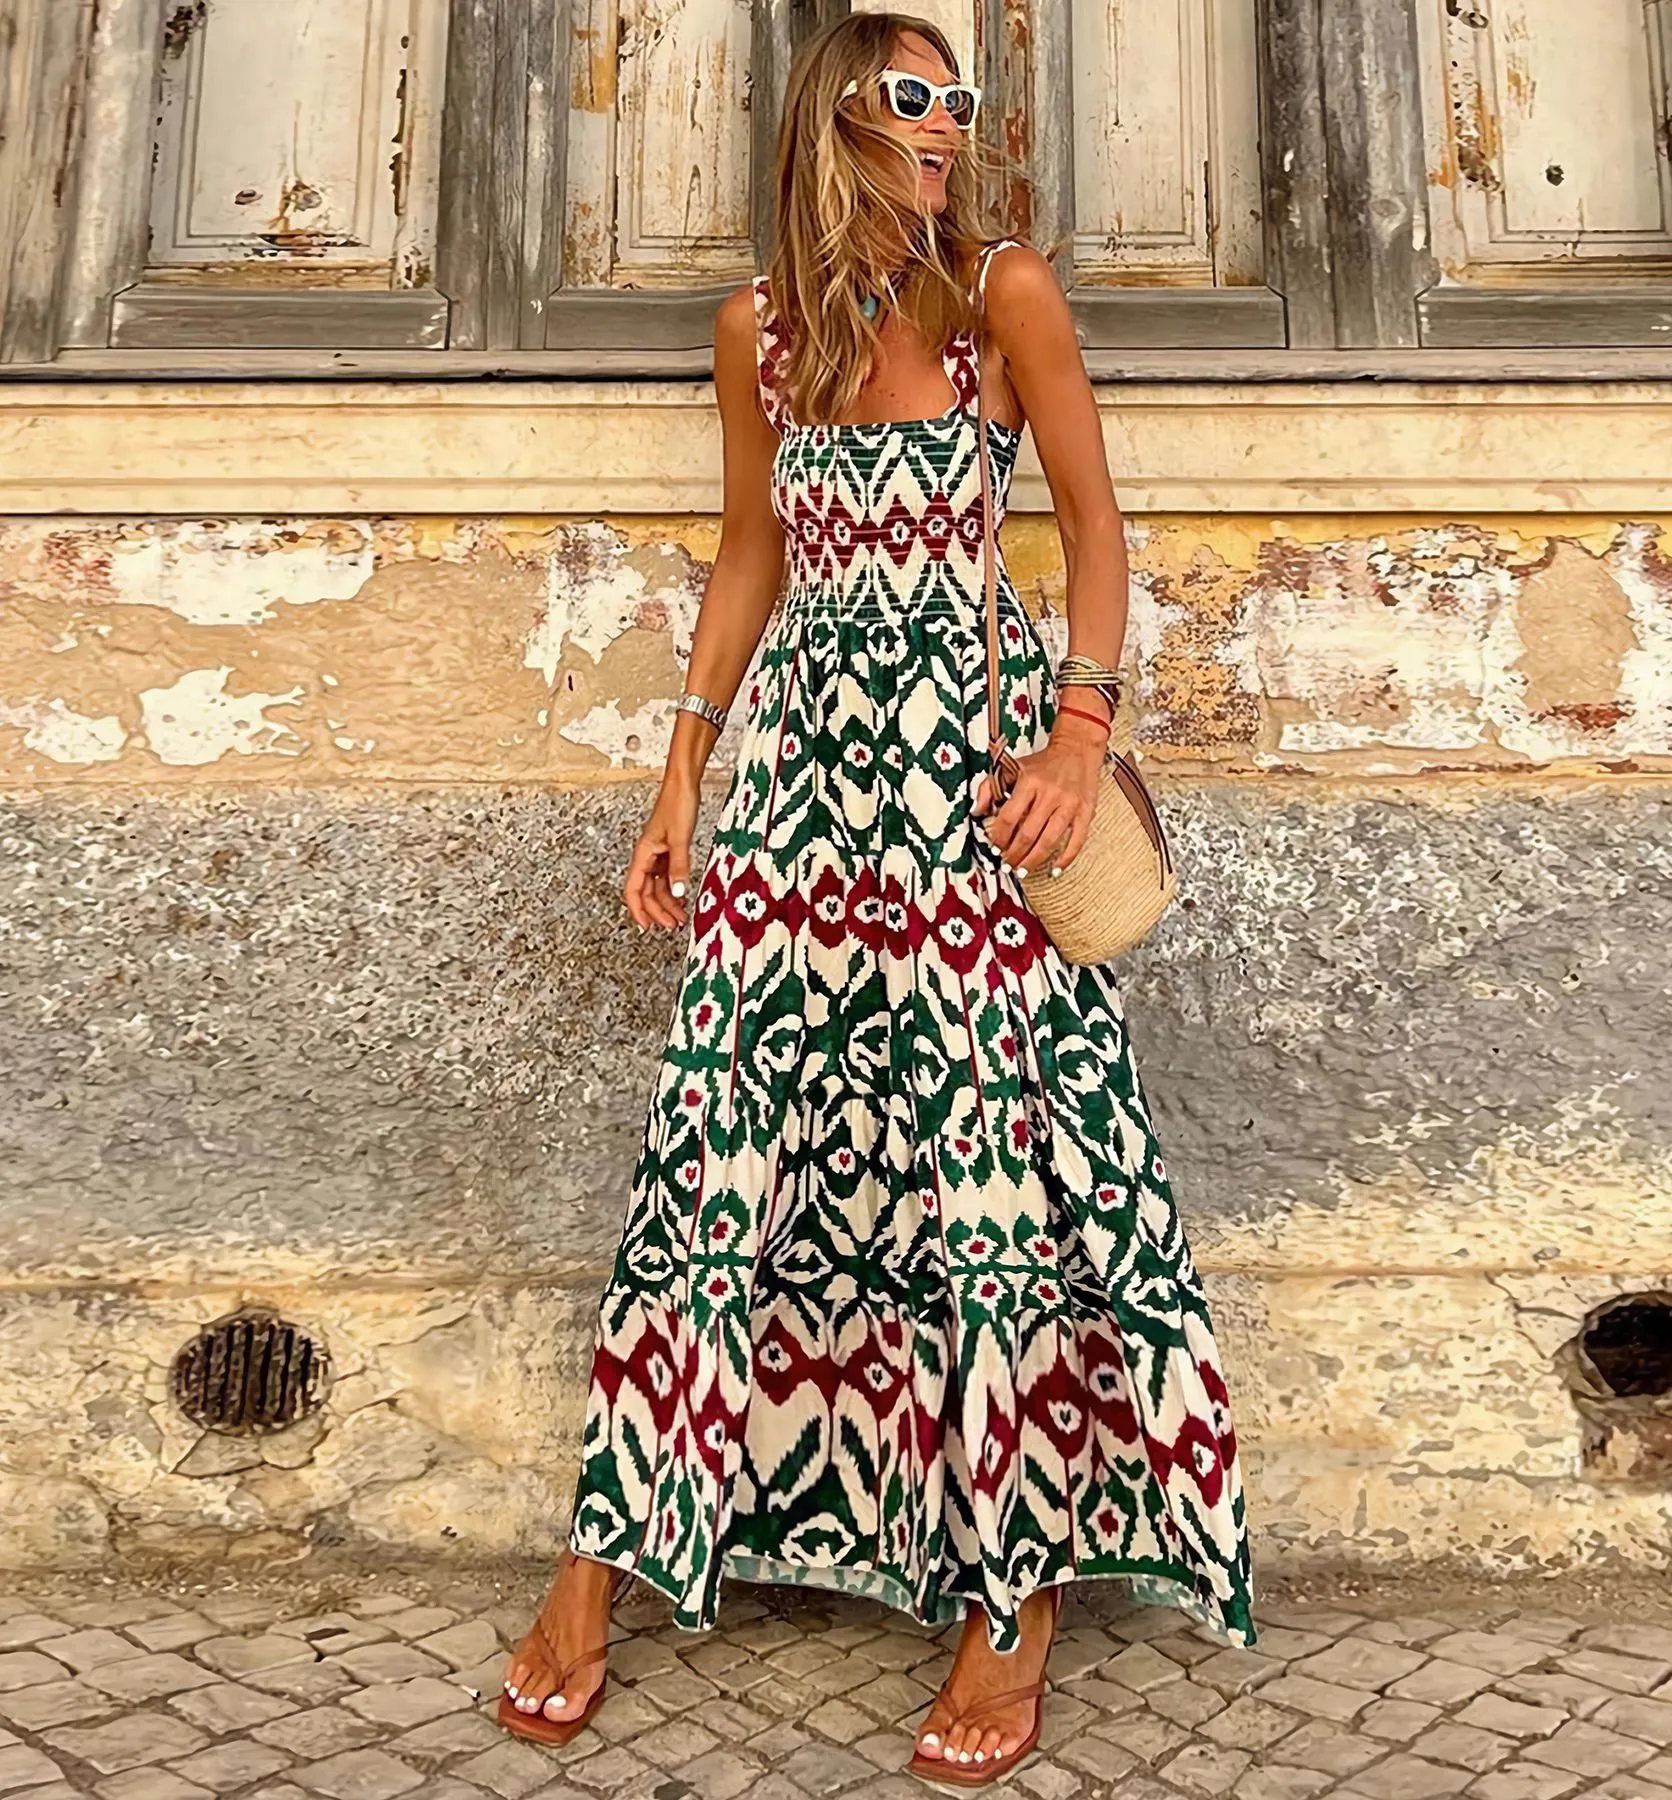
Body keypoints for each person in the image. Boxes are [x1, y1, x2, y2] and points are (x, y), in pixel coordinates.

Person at [500, 10, 1253, 1785]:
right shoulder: (757, 332)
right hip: (801, 780)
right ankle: (601, 1557)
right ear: (834, 115)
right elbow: (751, 549)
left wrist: (1079, 737)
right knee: (718, 1150)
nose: (946, 123)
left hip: (966, 775)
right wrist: (681, 770)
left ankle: (1013, 1593)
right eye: (912, 97)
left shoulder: (1002, 295)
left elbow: (1095, 527)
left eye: (957, 100)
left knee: (984, 1164)